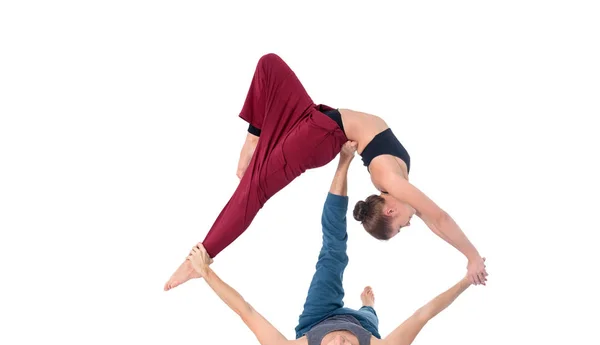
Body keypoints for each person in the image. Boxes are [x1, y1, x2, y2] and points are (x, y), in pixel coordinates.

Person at [164, 53, 486, 291]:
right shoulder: (396, 180)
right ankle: (253, 140)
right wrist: (470, 254)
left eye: (400, 227)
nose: (408, 224)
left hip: (317, 137)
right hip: (316, 119)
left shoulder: (391, 182)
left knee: (254, 190)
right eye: (401, 227)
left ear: (389, 208)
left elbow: (436, 219)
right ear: (391, 209)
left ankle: (202, 255)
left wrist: (469, 257)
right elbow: (437, 219)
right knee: (269, 65)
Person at [183, 145, 483, 345]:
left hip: (318, 317)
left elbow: (245, 311)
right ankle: (368, 306)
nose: (340, 339)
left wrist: (206, 273)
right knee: (368, 315)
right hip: (362, 324)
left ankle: (343, 162)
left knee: (333, 254)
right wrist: (465, 282)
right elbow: (423, 314)